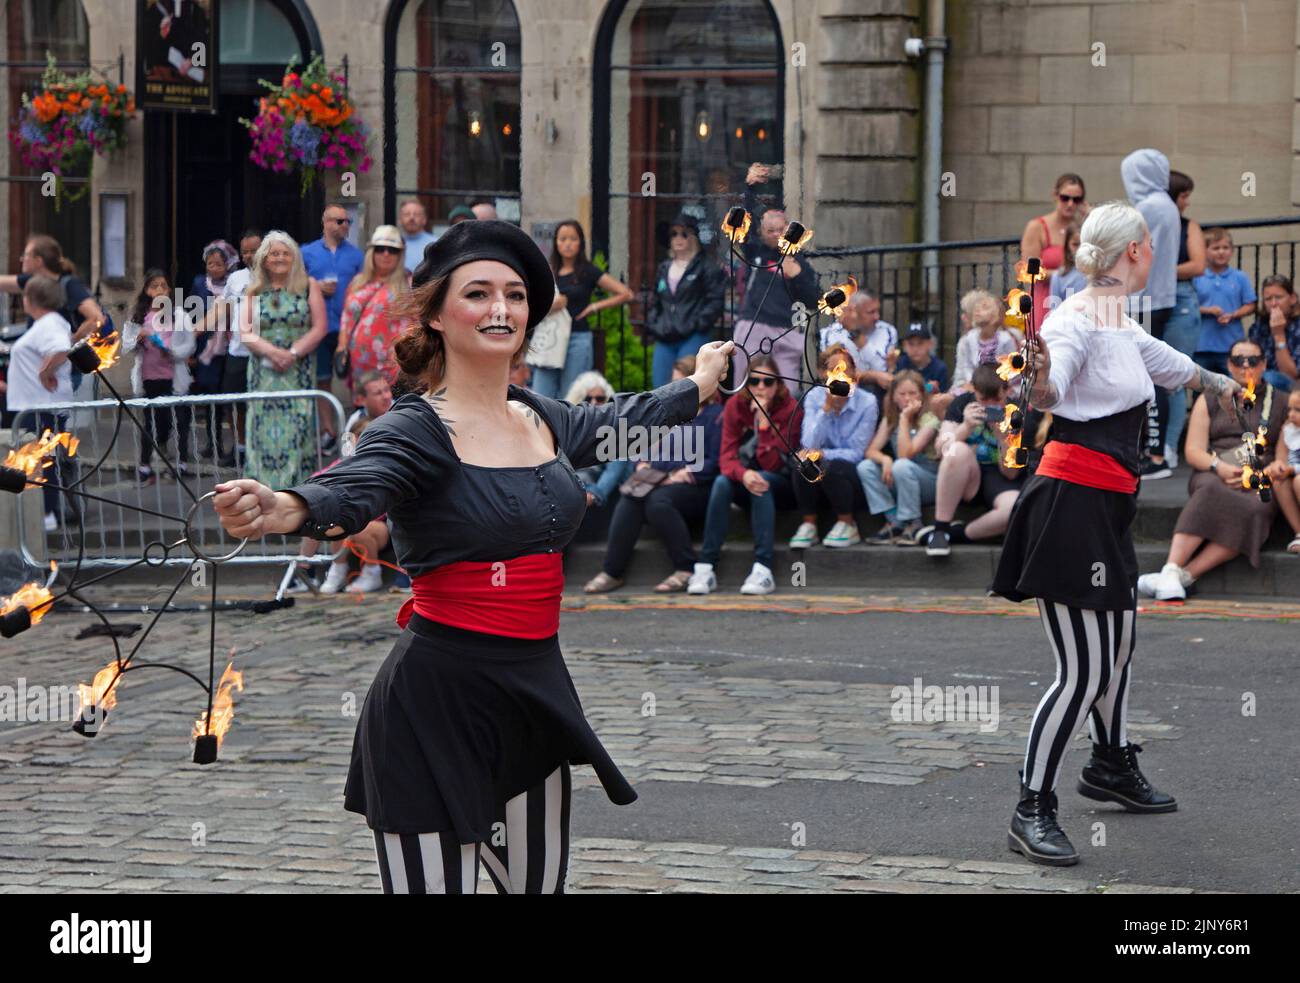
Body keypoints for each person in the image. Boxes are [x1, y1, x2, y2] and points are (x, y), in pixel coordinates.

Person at [213, 219, 734, 893]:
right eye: (479, 293)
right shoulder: (415, 425)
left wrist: (702, 383)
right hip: (433, 709)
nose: (501, 309)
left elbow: (623, 422)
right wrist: (287, 505)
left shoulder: (541, 415)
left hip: (533, 703)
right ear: (435, 312)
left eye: (515, 295)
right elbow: (353, 483)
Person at [990, 201, 1241, 867]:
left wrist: (1222, 383)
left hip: (1106, 507)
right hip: (1070, 504)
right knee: (1084, 669)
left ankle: (1108, 762)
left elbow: (1168, 362)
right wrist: (1037, 377)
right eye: (1151, 244)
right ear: (1133, 250)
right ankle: (1031, 807)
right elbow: (1050, 388)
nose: (1157, 252)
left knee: (1120, 641)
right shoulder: (1076, 317)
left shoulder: (1115, 317)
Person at [1137, 339, 1300, 599]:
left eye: (1253, 361)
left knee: (1255, 508)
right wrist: (1219, 467)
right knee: (1210, 490)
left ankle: (1183, 575)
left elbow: (1284, 454)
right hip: (1215, 468)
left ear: (1264, 364)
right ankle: (1171, 566)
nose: (1246, 366)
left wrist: (1261, 475)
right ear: (1228, 365)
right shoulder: (1211, 397)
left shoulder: (1280, 401)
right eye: (1238, 360)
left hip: (1261, 474)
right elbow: (1193, 451)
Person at [583, 355, 724, 594]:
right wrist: (643, 462)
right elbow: (645, 444)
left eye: (683, 382)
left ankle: (686, 567)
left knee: (657, 502)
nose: (677, 388)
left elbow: (716, 460)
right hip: (659, 481)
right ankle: (612, 571)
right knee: (630, 496)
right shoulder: (671, 413)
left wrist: (685, 473)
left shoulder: (715, 415)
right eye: (674, 382)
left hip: (696, 486)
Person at [687, 354, 803, 596]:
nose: (760, 387)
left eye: (768, 382)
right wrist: (744, 474)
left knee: (762, 481)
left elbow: (773, 465)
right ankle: (706, 566)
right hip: (747, 478)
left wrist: (763, 426)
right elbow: (726, 458)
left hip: (782, 484)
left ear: (779, 384)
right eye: (754, 381)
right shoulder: (735, 406)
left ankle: (763, 567)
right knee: (721, 482)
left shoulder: (789, 409)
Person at [240, 231, 329, 490]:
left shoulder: (308, 286)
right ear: (264, 259)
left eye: (285, 253)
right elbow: (245, 332)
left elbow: (319, 327)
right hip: (263, 375)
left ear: (294, 258)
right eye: (274, 253)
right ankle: (263, 493)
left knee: (298, 431)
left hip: (297, 371)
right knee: (260, 433)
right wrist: (272, 352)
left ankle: (297, 495)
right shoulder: (253, 290)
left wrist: (292, 353)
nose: (279, 258)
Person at [729, 162, 821, 390]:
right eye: (771, 231)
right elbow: (743, 228)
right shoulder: (756, 253)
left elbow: (813, 301)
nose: (777, 235)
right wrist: (749, 188)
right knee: (745, 389)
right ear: (762, 233)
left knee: (788, 392)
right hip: (753, 325)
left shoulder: (799, 261)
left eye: (781, 229)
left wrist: (797, 276)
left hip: (785, 331)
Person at [921, 363, 1027, 556]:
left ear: (1008, 390)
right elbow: (941, 449)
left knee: (1015, 508)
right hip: (965, 474)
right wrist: (965, 427)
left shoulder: (1017, 411)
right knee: (957, 449)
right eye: (983, 399)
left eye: (996, 399)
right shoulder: (962, 403)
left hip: (1000, 478)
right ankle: (940, 528)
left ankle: (957, 534)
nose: (989, 406)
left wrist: (1003, 438)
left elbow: (1011, 473)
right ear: (974, 391)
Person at [1121, 149, 1181, 479]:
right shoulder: (1165, 205)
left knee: (1150, 377)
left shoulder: (1150, 208)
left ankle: (1155, 456)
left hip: (1146, 300)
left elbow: (1131, 251)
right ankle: (1154, 451)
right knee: (1152, 374)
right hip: (1156, 298)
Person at [5, 275, 78, 531]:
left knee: (41, 461)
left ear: (30, 299)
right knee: (35, 461)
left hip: (40, 409)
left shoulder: (49, 323)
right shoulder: (47, 323)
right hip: (32, 406)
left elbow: (61, 348)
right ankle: (42, 513)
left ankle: (47, 513)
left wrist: (44, 372)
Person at [530, 219, 633, 399]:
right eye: (562, 239)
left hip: (577, 338)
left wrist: (594, 307)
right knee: (541, 395)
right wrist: (549, 305)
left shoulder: (588, 271)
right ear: (555, 242)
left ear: (581, 242)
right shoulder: (547, 271)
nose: (567, 244)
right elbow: (530, 302)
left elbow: (626, 294)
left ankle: (566, 428)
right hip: (549, 338)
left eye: (573, 239)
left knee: (571, 398)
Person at [788, 344, 876, 549]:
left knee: (830, 464)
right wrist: (827, 409)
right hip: (821, 468)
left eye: (847, 369)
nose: (842, 375)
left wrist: (823, 453)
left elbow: (857, 452)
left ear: (855, 373)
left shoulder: (868, 402)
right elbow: (809, 443)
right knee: (802, 462)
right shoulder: (814, 397)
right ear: (822, 374)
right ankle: (809, 524)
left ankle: (848, 523)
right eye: (835, 370)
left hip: (850, 472)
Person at [301, 202, 365, 453]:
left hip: (349, 327)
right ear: (325, 223)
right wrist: (313, 285)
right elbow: (293, 283)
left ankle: (354, 434)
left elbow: (364, 285)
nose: (345, 225)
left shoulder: (357, 256)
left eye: (347, 221)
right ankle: (328, 432)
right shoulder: (306, 252)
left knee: (354, 381)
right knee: (322, 380)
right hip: (319, 326)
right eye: (339, 221)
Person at [120, 268, 195, 483]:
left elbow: (189, 346)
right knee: (151, 422)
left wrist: (170, 352)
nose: (160, 290)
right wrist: (138, 340)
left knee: (180, 420)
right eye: (154, 286)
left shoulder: (179, 315)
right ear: (146, 290)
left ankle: (181, 464)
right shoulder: (139, 316)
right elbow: (126, 346)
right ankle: (145, 466)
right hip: (149, 376)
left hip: (174, 375)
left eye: (163, 285)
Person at [859, 370, 942, 545]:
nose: (907, 398)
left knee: (901, 465)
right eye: (902, 394)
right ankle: (894, 521)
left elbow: (906, 454)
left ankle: (914, 523)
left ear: (921, 395)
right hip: (901, 477)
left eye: (912, 393)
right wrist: (885, 459)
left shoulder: (930, 419)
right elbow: (870, 451)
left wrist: (905, 419)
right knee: (865, 467)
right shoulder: (891, 419)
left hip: (929, 481)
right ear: (894, 397)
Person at [645, 213, 726, 388]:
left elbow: (715, 301)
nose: (678, 238)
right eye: (673, 234)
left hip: (692, 336)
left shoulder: (707, 267)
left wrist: (697, 324)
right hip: (665, 337)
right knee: (659, 388)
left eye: (684, 233)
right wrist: (655, 324)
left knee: (687, 387)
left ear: (693, 237)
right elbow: (655, 300)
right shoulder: (664, 267)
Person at [1162, 171, 1206, 467]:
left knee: (1175, 376)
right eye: (1184, 195)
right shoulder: (1151, 223)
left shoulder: (1189, 226)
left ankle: (1168, 446)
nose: (1187, 202)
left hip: (1180, 300)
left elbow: (1198, 265)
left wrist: (1161, 270)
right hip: (1150, 299)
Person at [337, 225, 409, 388]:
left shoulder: (409, 283)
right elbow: (346, 319)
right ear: (372, 252)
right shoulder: (358, 282)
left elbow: (417, 325)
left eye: (392, 250)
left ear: (400, 255)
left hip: (392, 369)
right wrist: (341, 347)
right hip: (358, 368)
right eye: (380, 249)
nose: (386, 254)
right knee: (363, 411)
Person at [564, 371, 632, 543]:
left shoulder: (616, 429)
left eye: (600, 399)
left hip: (601, 496)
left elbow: (614, 471)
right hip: (574, 493)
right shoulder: (569, 429)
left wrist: (594, 494)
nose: (594, 403)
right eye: (588, 398)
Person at [215, 230, 263, 468]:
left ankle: (260, 447)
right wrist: (194, 331)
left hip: (264, 353)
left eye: (253, 250)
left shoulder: (277, 277)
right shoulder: (235, 279)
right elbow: (222, 308)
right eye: (244, 251)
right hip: (237, 350)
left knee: (261, 404)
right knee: (232, 402)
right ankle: (241, 446)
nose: (248, 255)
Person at [191, 239, 238, 459]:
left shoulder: (235, 284)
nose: (215, 268)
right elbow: (192, 312)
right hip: (205, 347)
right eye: (211, 264)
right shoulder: (200, 283)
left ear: (227, 264)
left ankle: (236, 445)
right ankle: (213, 442)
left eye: (219, 264)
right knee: (209, 396)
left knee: (227, 397)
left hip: (229, 346)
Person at [1020, 173, 1088, 325]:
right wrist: (1062, 274)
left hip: (1080, 299)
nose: (1070, 204)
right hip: (1045, 298)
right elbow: (1027, 271)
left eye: (1076, 199)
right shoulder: (1037, 227)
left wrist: (1092, 215)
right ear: (1055, 195)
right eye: (1065, 198)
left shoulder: (1085, 226)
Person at [1192, 228, 1254, 379]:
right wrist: (1208, 310)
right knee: (1201, 390)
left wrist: (1233, 315)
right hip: (1202, 345)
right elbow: (1188, 306)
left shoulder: (1240, 277)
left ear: (1232, 251)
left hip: (1232, 346)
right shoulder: (1197, 277)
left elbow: (1251, 304)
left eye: (1225, 248)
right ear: (1205, 251)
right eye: (1215, 248)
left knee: (1235, 388)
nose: (1221, 252)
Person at [818, 290, 898, 404]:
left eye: (877, 311)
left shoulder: (888, 331)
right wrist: (873, 375)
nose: (877, 316)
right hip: (842, 390)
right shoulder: (830, 334)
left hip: (876, 392)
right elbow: (833, 371)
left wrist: (857, 336)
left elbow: (883, 371)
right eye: (871, 312)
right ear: (854, 311)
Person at [951, 290, 1018, 392]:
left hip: (1000, 389)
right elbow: (963, 373)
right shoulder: (967, 340)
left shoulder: (1007, 339)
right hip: (973, 388)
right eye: (976, 309)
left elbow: (1013, 372)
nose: (977, 311)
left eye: (984, 308)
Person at [1248, 275, 1300, 394]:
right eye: (1268, 299)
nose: (1274, 303)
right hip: (1261, 381)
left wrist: (1279, 335)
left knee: (1270, 378)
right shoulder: (1260, 325)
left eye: (1279, 297)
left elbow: (1290, 375)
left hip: (1292, 386)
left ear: (1292, 299)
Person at [1047, 223, 1085, 313]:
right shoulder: (1058, 276)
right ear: (1067, 246)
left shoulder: (1097, 273)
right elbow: (1054, 311)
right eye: (1075, 244)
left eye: (1083, 244)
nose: (1080, 248)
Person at [1282, 389, 1300, 554]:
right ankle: (1299, 531)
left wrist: (1293, 469)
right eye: (1289, 409)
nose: (1291, 414)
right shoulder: (1289, 429)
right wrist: (1279, 468)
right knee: (1277, 481)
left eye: (1297, 410)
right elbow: (1282, 457)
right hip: (1294, 474)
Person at [399, 198, 437, 273]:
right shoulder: (392, 244)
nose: (411, 218)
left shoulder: (435, 244)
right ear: (400, 220)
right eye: (407, 214)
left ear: (424, 220)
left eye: (416, 214)